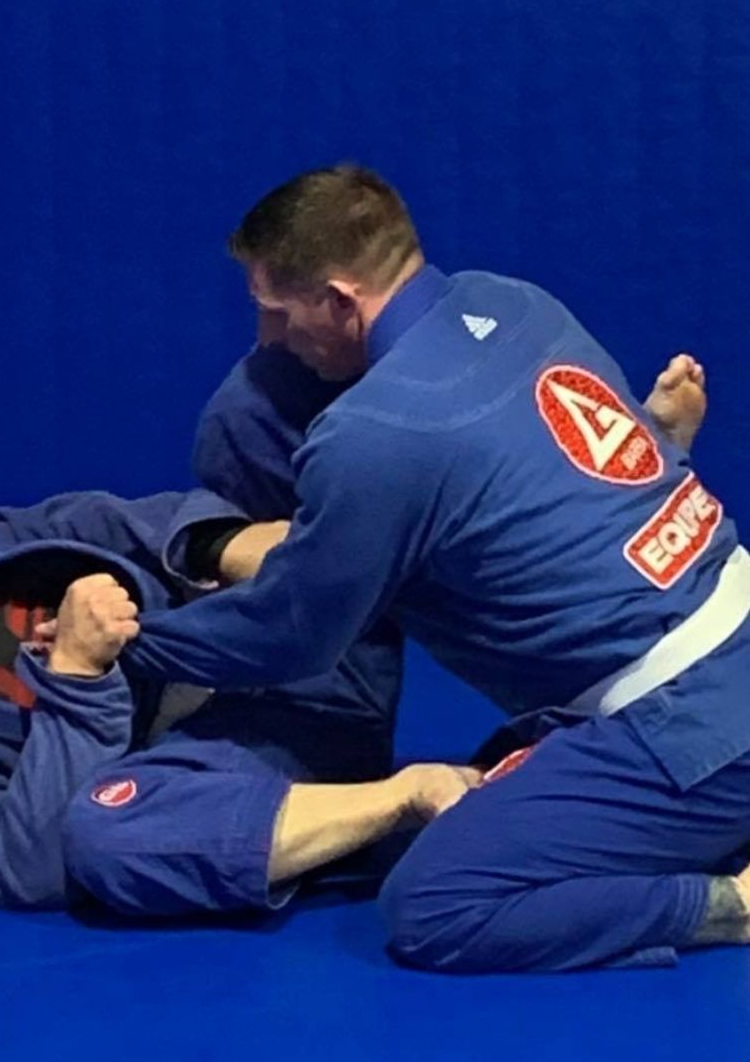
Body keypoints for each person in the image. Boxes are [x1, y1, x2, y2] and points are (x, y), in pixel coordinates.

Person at [111, 163, 750, 971]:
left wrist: (134, 643)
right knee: (482, 773)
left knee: (434, 903)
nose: (269, 336)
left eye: (276, 312)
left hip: (691, 730)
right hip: (724, 629)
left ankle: (730, 903)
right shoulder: (516, 300)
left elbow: (289, 638)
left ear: (341, 301)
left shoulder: (377, 436)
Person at [0, 482, 473, 912]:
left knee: (272, 426)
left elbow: (73, 520)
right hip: (247, 746)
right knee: (110, 839)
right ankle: (405, 802)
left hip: (272, 634)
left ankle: (577, 675)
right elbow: (24, 864)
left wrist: (215, 544)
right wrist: (76, 677)